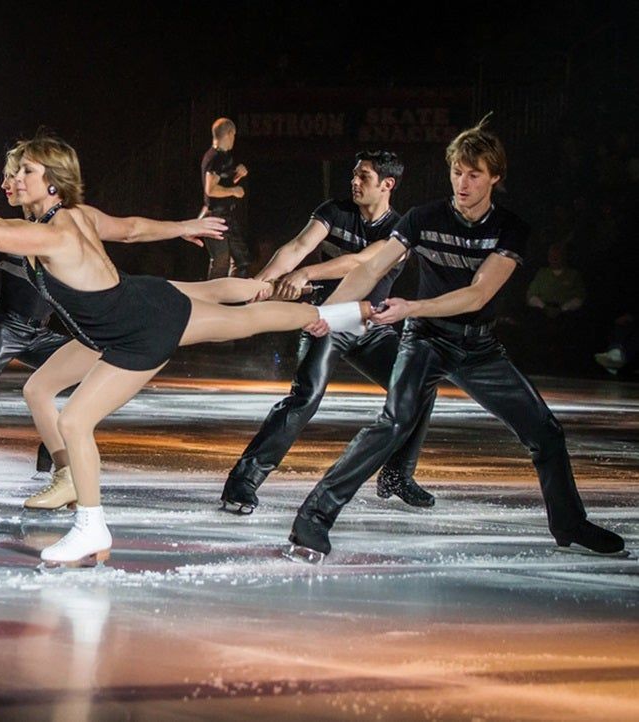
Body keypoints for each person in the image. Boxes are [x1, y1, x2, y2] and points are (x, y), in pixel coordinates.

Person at [0, 131, 374, 567]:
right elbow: (120, 228)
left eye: (26, 171)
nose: (16, 177)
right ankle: (339, 314)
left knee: (76, 420)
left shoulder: (52, 234)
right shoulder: (72, 217)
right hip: (134, 306)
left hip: (135, 332)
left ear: (52, 182)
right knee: (226, 318)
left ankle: (91, 528)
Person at [287, 120, 625, 563]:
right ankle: (313, 518)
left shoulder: (509, 229)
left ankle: (569, 524)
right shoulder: (423, 218)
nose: (462, 183)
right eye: (457, 172)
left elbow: (478, 294)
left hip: (478, 348)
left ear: (495, 177)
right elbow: (370, 269)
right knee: (394, 422)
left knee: (545, 432)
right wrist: (328, 314)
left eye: (474, 174)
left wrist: (413, 307)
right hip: (425, 342)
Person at [0, 163, 227, 487]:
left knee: (92, 380)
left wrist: (184, 227)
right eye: (6, 177)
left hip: (41, 332)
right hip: (6, 327)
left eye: (15, 176)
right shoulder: (10, 233)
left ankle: (56, 461)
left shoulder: (69, 225)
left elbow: (131, 229)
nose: (7, 184)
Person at [221, 151, 437, 514]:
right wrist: (260, 284)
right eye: (354, 174)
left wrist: (306, 273)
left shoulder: (401, 230)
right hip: (326, 318)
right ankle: (243, 480)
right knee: (305, 396)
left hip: (371, 326)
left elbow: (361, 262)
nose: (354, 182)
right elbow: (297, 247)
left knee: (421, 385)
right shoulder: (334, 211)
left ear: (387, 184)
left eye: (363, 177)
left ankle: (398, 474)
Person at [200, 118, 250, 279]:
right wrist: (234, 191)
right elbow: (211, 189)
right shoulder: (215, 157)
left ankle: (233, 292)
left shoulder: (224, 157)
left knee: (241, 261)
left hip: (225, 215)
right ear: (229, 134)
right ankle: (212, 293)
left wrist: (237, 175)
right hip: (216, 215)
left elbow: (223, 182)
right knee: (221, 262)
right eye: (233, 135)